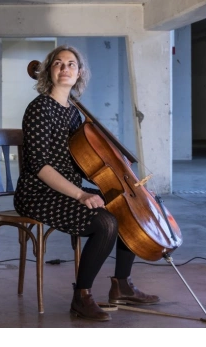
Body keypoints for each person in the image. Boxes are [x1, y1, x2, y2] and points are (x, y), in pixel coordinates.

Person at [13, 45, 159, 321]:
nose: (65, 68)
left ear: (79, 73)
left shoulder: (73, 113)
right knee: (105, 223)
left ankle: (122, 285)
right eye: (58, 63)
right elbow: (40, 166)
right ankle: (81, 297)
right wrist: (81, 195)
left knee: (128, 207)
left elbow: (82, 162)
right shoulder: (39, 108)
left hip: (67, 189)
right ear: (49, 71)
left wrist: (121, 182)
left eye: (71, 64)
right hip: (37, 193)